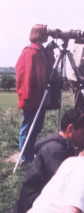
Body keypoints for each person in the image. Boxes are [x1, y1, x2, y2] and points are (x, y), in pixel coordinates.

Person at [8, 109, 84, 213]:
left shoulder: (64, 145)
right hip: (34, 208)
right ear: (70, 129)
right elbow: (64, 185)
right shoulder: (54, 150)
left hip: (41, 201)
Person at [15, 24, 55, 163]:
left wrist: (50, 52)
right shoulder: (30, 52)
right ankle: (25, 157)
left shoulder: (40, 51)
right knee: (28, 127)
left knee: (36, 127)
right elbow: (25, 77)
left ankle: (29, 153)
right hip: (32, 97)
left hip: (41, 96)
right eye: (45, 32)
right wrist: (27, 97)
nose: (47, 35)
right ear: (39, 34)